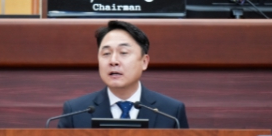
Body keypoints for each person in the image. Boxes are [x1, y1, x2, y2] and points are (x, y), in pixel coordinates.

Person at [58, 20, 189, 128]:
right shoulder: (75, 112)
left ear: (144, 62)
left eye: (124, 53)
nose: (113, 61)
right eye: (106, 53)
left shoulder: (170, 112)